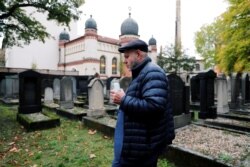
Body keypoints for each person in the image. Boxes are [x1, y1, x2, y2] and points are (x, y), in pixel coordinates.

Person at [110, 39, 175, 167]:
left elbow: (154, 106)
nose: (125, 60)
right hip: (135, 145)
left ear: (138, 54)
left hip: (143, 149)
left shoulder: (152, 72)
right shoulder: (141, 73)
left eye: (127, 56)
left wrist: (124, 100)